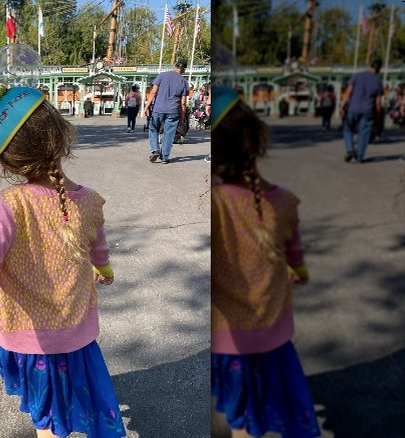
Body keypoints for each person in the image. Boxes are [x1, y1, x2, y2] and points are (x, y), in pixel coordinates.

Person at [0, 52, 126, 438]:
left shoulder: (12, 206)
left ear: (10, 163)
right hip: (74, 332)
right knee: (62, 404)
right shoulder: (90, 201)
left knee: (49, 423)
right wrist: (103, 270)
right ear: (61, 134)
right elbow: (98, 248)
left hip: (24, 335)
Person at [209, 86, 321, 438]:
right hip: (273, 335)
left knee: (241, 416)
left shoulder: (217, 204)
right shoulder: (284, 201)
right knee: (270, 403)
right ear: (257, 142)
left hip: (228, 341)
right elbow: (295, 252)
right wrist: (298, 270)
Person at [144, 59, 188, 164]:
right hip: (173, 111)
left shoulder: (162, 75)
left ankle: (155, 149)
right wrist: (182, 116)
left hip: (158, 109)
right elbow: (183, 103)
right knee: (169, 134)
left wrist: (146, 106)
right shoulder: (184, 82)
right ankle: (164, 157)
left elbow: (153, 92)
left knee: (153, 129)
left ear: (175, 65)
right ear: (184, 69)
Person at [339, 59, 384, 163]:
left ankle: (350, 149)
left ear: (370, 65)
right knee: (364, 133)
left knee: (347, 128)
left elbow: (348, 92)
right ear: (379, 68)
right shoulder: (378, 82)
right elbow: (378, 102)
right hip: (368, 111)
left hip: (353, 109)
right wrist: (377, 115)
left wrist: (342, 105)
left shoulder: (357, 76)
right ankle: (359, 156)